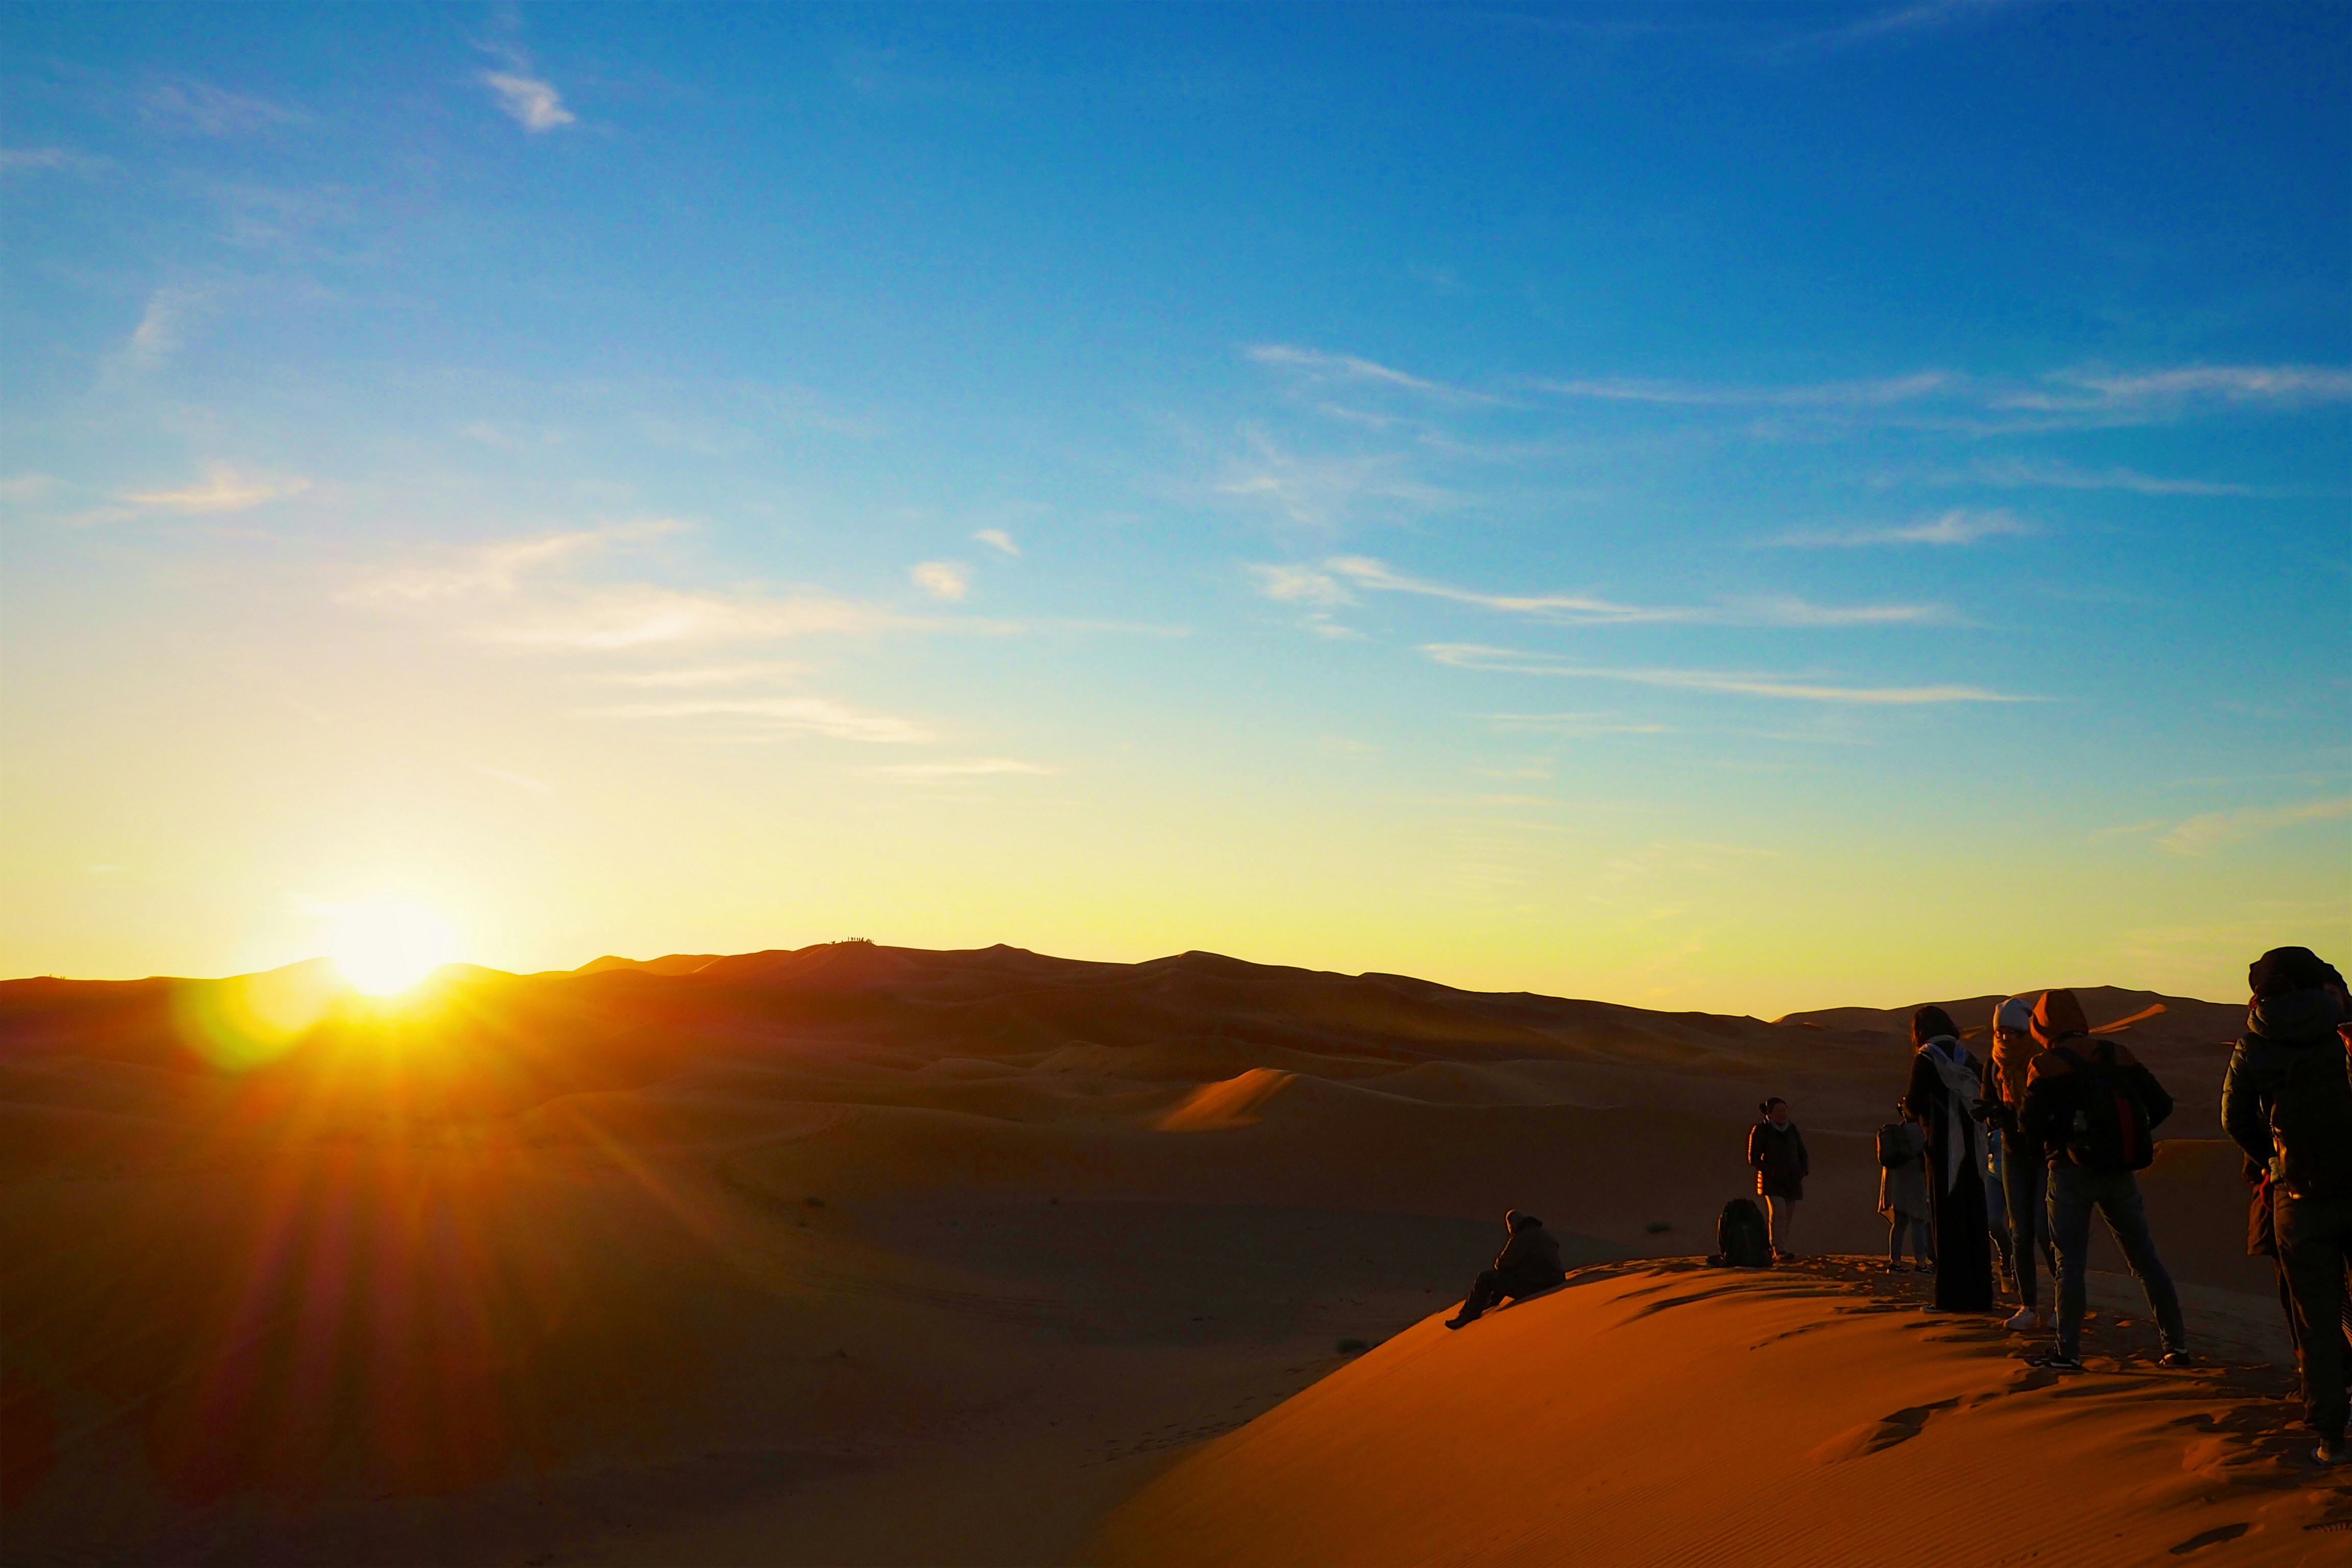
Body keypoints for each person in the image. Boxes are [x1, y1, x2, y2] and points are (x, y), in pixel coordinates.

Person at [2220, 947, 2352, 1464]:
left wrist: (2271, 1161)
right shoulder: (2342, 1027)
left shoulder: (2254, 1038)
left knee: (2315, 1319)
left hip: (2297, 1197)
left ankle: (2330, 1436)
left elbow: (2233, 1117)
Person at [2020, 988, 2188, 1371]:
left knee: (2070, 1266)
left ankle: (2068, 1352)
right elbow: (2161, 1104)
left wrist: (2053, 1145)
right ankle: (2175, 1347)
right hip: (2121, 1173)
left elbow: (2029, 1129)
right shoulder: (2117, 1054)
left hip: (2069, 1174)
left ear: (2043, 1026)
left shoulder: (2045, 1066)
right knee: (2146, 1259)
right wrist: (2132, 1136)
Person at [1903, 1007, 1994, 1312]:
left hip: (1944, 1149)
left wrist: (1911, 1112)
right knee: (1974, 1220)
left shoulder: (1927, 1058)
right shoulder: (1965, 1056)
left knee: (1947, 1221)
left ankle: (1951, 1299)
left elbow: (1914, 1102)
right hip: (1974, 1148)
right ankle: (1981, 1296)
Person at [1983, 994, 2057, 1332]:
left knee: (2046, 1230)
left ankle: (2062, 1301)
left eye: (2012, 1032)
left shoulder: (2041, 1062)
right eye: (2001, 1033)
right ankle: (2028, 1305)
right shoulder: (1994, 1065)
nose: (2005, 1039)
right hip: (2012, 1152)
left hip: (2044, 1154)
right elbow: (1989, 1105)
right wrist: (1992, 1114)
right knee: (2020, 1232)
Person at [1445, 1210, 1567, 1328]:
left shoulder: (1521, 1237)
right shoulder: (1544, 1234)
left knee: (1486, 1277)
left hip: (1537, 1286)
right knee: (1508, 1273)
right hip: (1554, 1281)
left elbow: (1501, 1264)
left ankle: (1467, 1315)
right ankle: (1491, 1303)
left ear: (1512, 1225)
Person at [1746, 1098, 1808, 1261]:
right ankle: (1778, 1249)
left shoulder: (1792, 1129)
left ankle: (1781, 1248)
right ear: (1770, 1113)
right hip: (1772, 1182)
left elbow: (1802, 1152)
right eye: (1779, 1111)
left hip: (1793, 1180)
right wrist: (1771, 1172)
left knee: (1787, 1217)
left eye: (1785, 1110)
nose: (1783, 1114)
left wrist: (1803, 1170)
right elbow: (1753, 1158)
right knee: (1778, 1214)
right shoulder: (1761, 1130)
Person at [1877, 1107, 1933, 1271]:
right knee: (1918, 1222)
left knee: (1899, 1224)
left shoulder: (1897, 1132)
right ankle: (1921, 1263)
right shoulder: (1921, 1132)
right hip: (1917, 1182)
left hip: (1898, 1182)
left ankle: (1895, 1262)